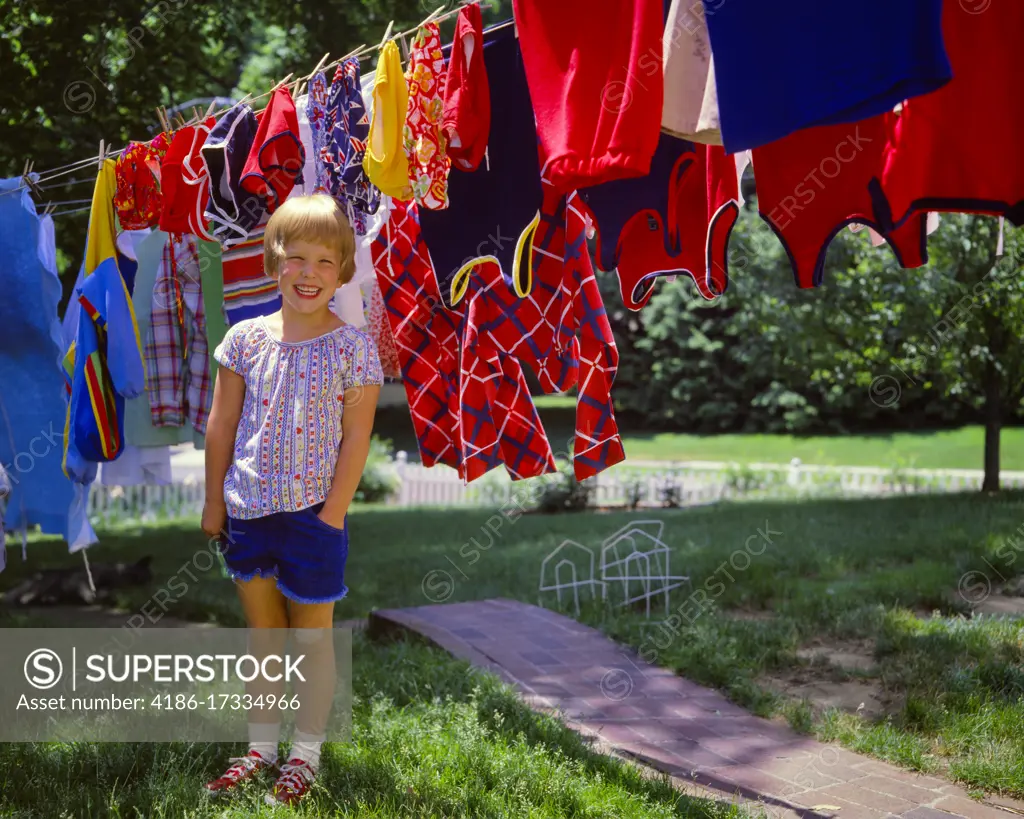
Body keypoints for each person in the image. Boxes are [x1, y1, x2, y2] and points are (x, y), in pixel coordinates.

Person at [200, 194, 383, 806]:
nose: (309, 273)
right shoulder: (244, 340)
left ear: (343, 271)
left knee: (312, 638)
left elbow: (357, 437)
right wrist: (214, 503)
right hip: (247, 512)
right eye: (296, 258)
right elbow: (221, 426)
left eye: (325, 262)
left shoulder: (353, 347)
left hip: (313, 518)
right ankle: (259, 749)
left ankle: (304, 755)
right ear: (273, 263)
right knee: (263, 636)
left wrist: (332, 513)